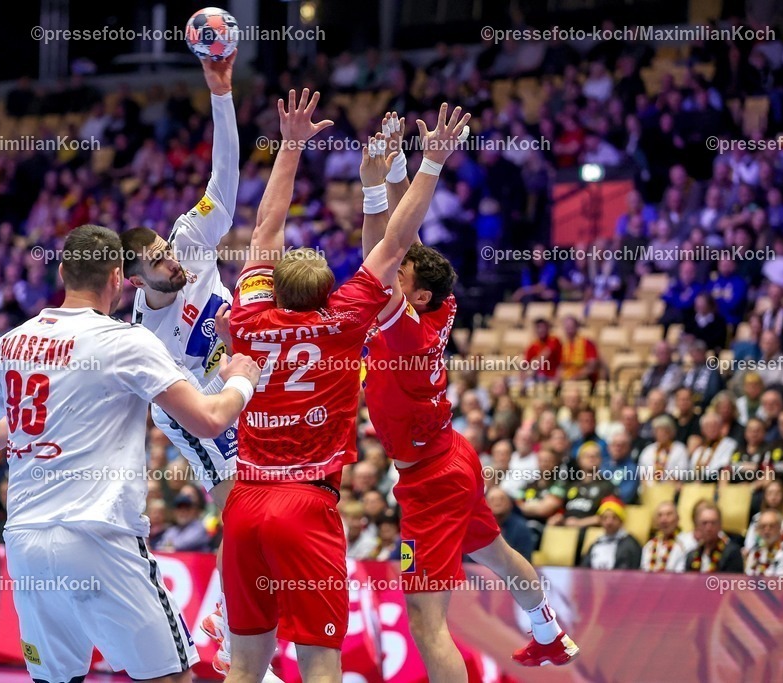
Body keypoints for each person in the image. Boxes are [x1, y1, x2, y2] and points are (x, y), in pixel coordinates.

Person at [222, 95, 467, 683]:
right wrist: (431, 161)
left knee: (246, 663)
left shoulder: (249, 315)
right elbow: (397, 243)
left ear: (272, 286)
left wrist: (290, 145)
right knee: (319, 663)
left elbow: (266, 227)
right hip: (306, 504)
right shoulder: (345, 318)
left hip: (244, 501)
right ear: (328, 290)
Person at [0, 223, 260, 683]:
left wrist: (28, 425)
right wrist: (241, 376)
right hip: (101, 534)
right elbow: (209, 419)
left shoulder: (9, 342)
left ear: (63, 272)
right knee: (170, 676)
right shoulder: (127, 341)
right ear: (119, 278)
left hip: (25, 541)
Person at [361, 110, 577, 673]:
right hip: (452, 456)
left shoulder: (405, 328)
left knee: (426, 622)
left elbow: (377, 256)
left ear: (417, 297)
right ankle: (548, 632)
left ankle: (546, 634)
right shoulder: (440, 303)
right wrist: (400, 167)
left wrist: (375, 187)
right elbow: (403, 244)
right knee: (498, 555)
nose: (393, 271)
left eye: (402, 278)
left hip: (430, 482)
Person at [117, 55, 266, 678]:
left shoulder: (189, 242)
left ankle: (225, 622)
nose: (171, 262)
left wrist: (221, 94)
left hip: (239, 379)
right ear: (134, 281)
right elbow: (189, 411)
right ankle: (229, 631)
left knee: (267, 507)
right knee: (242, 508)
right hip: (195, 410)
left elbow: (224, 178)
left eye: (165, 252)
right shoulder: (143, 339)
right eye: (157, 263)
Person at [580, 497, 642, 570]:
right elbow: (584, 569)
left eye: (614, 518)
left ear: (621, 520)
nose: (609, 522)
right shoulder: (596, 543)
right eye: (605, 518)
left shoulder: (630, 544)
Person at [683, 501, 744, 573]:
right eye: (704, 523)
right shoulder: (691, 556)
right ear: (697, 526)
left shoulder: (732, 553)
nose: (709, 528)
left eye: (713, 523)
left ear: (720, 525)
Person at [641, 502, 697, 573]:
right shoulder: (649, 546)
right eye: (660, 515)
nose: (664, 519)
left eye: (669, 514)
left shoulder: (688, 543)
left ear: (677, 518)